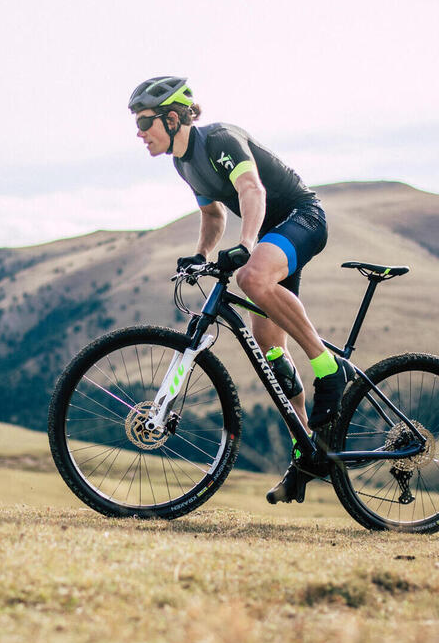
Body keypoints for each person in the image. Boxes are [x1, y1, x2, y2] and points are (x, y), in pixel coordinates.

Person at [129, 75, 345, 504]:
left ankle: (328, 368)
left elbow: (251, 189)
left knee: (250, 278)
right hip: (270, 236)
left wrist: (246, 245)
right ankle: (307, 452)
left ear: (172, 119)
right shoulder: (183, 163)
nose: (139, 133)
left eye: (144, 122)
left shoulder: (219, 141)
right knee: (273, 355)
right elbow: (213, 216)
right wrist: (200, 255)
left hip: (302, 218)